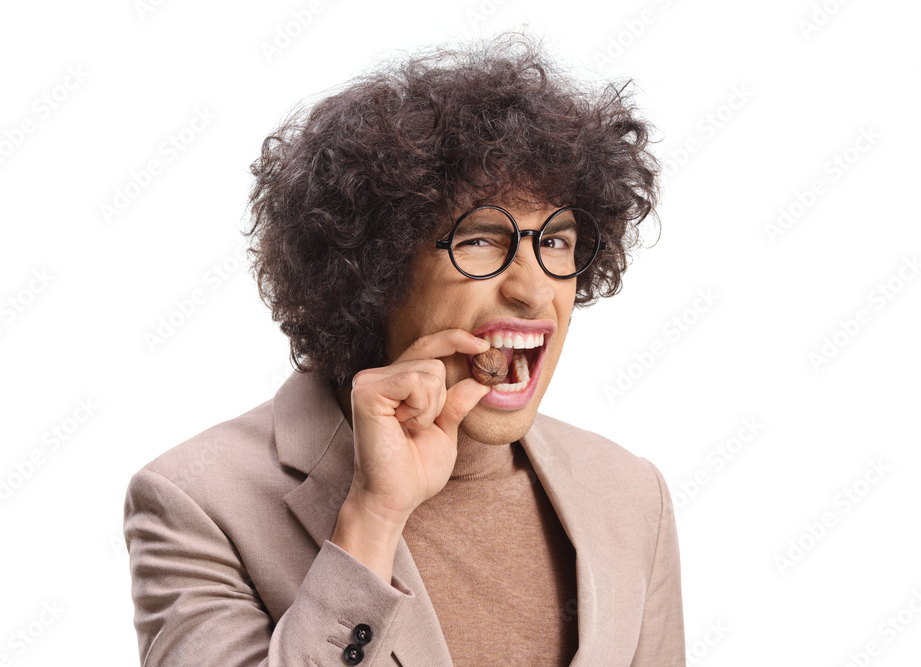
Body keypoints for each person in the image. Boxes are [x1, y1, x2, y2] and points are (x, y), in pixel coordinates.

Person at [124, 32, 685, 666]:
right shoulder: (196, 501)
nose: (533, 290)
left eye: (555, 242)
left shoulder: (631, 494)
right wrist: (372, 515)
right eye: (480, 239)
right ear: (376, 270)